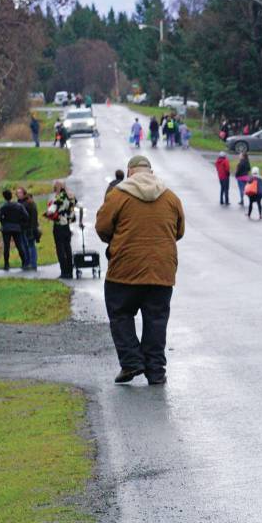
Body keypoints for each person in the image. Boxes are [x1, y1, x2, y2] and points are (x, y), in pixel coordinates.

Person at [96, 155, 185, 386]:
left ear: (129, 172)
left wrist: (116, 240)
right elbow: (179, 231)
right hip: (161, 271)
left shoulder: (118, 195)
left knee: (120, 314)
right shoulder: (170, 197)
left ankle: (131, 361)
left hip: (124, 270)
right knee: (156, 320)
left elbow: (102, 228)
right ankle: (155, 371)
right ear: (151, 172)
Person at [45, 181, 76, 279]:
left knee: (60, 249)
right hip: (67, 225)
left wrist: (48, 213)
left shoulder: (59, 198)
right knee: (68, 248)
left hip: (58, 225)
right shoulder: (71, 197)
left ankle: (64, 271)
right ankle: (70, 271)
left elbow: (51, 211)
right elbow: (72, 212)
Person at [0, 189, 28, 271]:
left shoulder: (3, 206)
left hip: (6, 228)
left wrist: (3, 220)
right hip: (17, 227)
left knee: (6, 247)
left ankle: (6, 264)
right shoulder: (18, 206)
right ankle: (24, 263)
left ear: (4, 197)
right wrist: (20, 221)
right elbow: (26, 216)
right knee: (19, 245)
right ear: (12, 196)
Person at [16, 187, 39, 271]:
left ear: (24, 193)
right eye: (17, 193)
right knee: (24, 246)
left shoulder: (29, 203)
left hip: (29, 228)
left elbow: (34, 216)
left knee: (31, 245)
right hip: (22, 228)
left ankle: (33, 263)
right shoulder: (20, 203)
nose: (18, 195)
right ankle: (27, 262)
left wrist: (33, 228)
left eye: (20, 193)